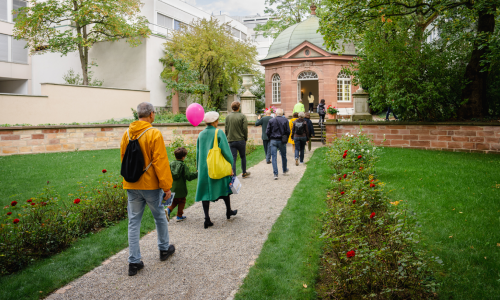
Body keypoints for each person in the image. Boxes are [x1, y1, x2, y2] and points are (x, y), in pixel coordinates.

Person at [120, 102, 175, 276]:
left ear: (138, 115)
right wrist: (166, 187)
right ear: (151, 114)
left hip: (131, 184)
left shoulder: (127, 133)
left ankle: (134, 261)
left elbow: (124, 158)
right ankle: (164, 249)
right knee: (159, 216)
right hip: (150, 185)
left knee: (133, 222)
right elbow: (160, 162)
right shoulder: (154, 133)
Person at [196, 111, 238, 229]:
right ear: (215, 121)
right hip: (217, 167)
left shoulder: (201, 134)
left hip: (204, 168)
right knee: (225, 188)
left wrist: (198, 168)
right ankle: (228, 211)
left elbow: (198, 153)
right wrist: (230, 165)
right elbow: (226, 151)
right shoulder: (218, 132)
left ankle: (207, 219)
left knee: (205, 193)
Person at [166, 147, 198, 222]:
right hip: (181, 189)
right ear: (183, 157)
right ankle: (179, 216)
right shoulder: (183, 166)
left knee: (174, 201)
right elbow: (189, 176)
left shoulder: (171, 164)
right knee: (182, 201)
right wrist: (197, 173)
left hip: (172, 188)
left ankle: (168, 210)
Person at [225, 101, 251, 178]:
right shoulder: (242, 116)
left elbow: (226, 129)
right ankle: (244, 173)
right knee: (243, 156)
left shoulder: (228, 117)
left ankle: (234, 176)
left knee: (233, 158)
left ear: (232, 107)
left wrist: (227, 137)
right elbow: (245, 129)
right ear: (239, 108)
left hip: (231, 140)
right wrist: (245, 138)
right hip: (241, 140)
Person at [266, 108, 290, 180]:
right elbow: (288, 131)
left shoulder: (271, 120)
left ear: (276, 114)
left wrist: (270, 138)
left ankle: (275, 174)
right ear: (282, 114)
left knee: (274, 157)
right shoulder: (285, 120)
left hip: (273, 140)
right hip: (281, 140)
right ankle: (284, 169)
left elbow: (267, 131)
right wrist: (286, 138)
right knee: (283, 155)